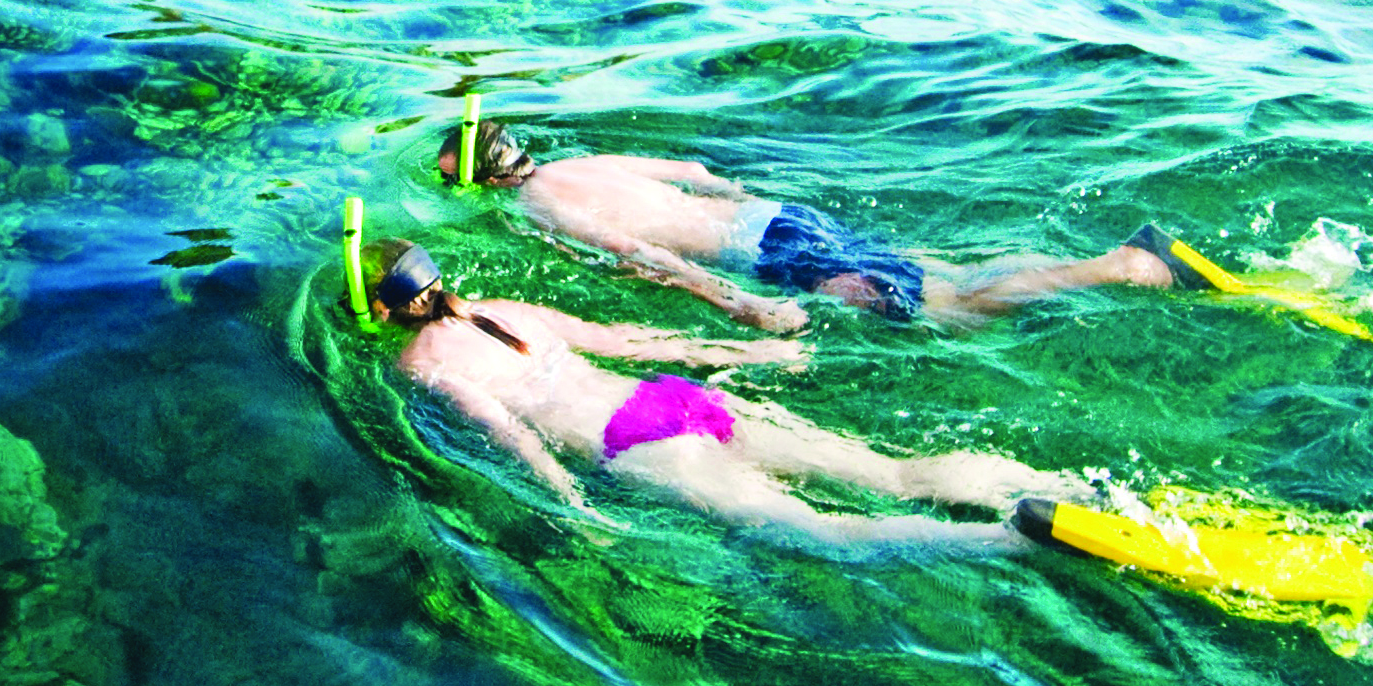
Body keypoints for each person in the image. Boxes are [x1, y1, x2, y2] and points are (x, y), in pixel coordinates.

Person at [358, 239, 1118, 560]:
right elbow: (631, 339)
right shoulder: (504, 310)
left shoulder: (420, 362)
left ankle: (1008, 542)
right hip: (672, 399)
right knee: (892, 472)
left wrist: (570, 504)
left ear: (382, 309)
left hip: (630, 442)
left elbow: (508, 435)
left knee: (815, 529)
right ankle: (1058, 489)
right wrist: (749, 350)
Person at [435, 119, 1187, 332]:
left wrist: (737, 303)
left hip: (763, 255)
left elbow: (642, 254)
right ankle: (1084, 261)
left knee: (947, 314)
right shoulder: (584, 161)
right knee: (937, 273)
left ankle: (1119, 267)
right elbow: (697, 175)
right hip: (777, 216)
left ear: (480, 180)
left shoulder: (542, 207)